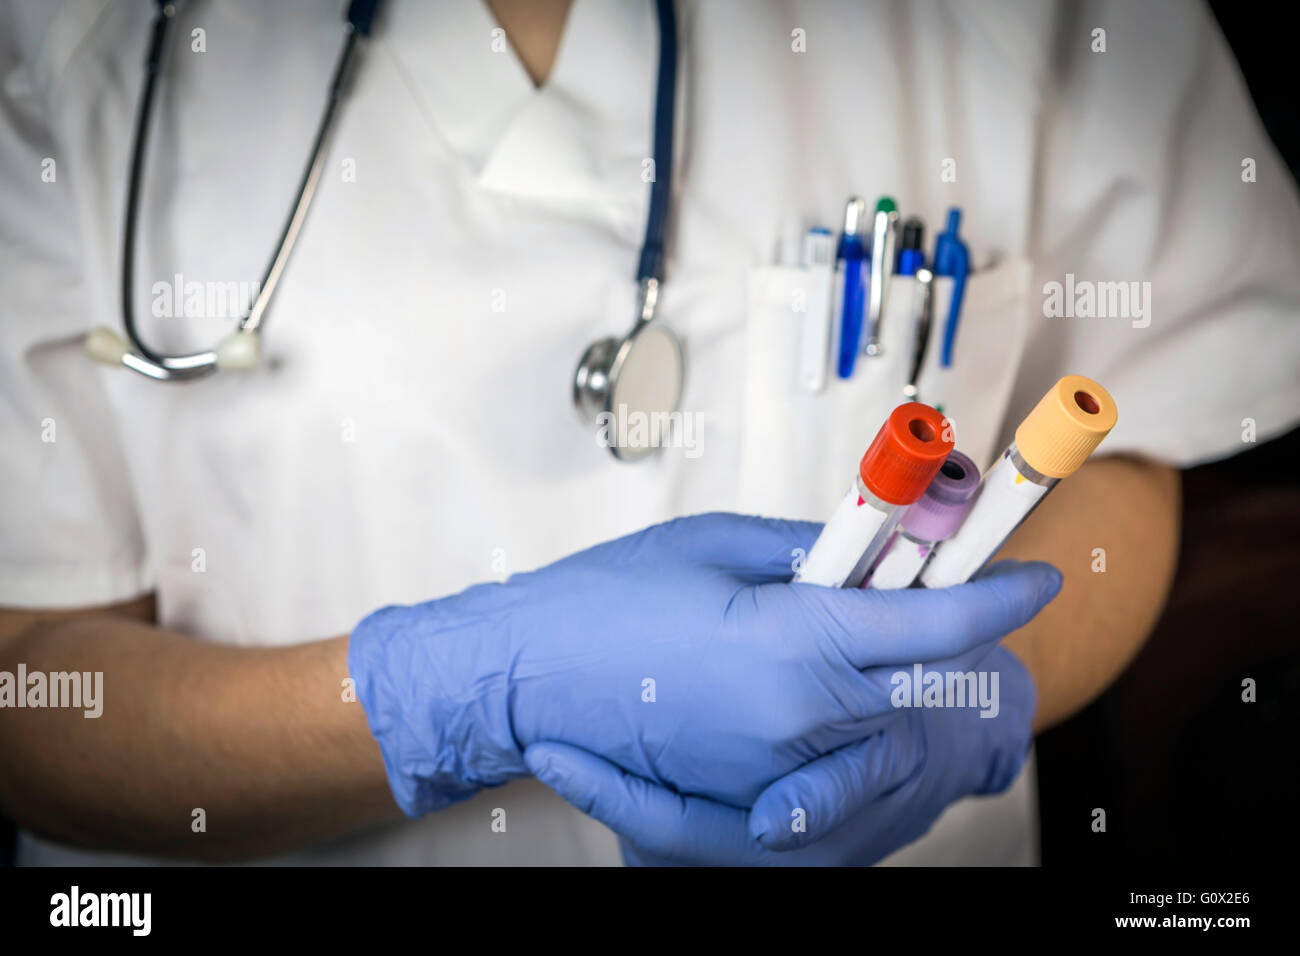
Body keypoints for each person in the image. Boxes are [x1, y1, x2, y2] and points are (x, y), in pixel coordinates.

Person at [1, 0, 1297, 867]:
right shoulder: (71, 41)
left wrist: (960, 710)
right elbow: (30, 679)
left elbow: (1140, 428)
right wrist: (445, 698)